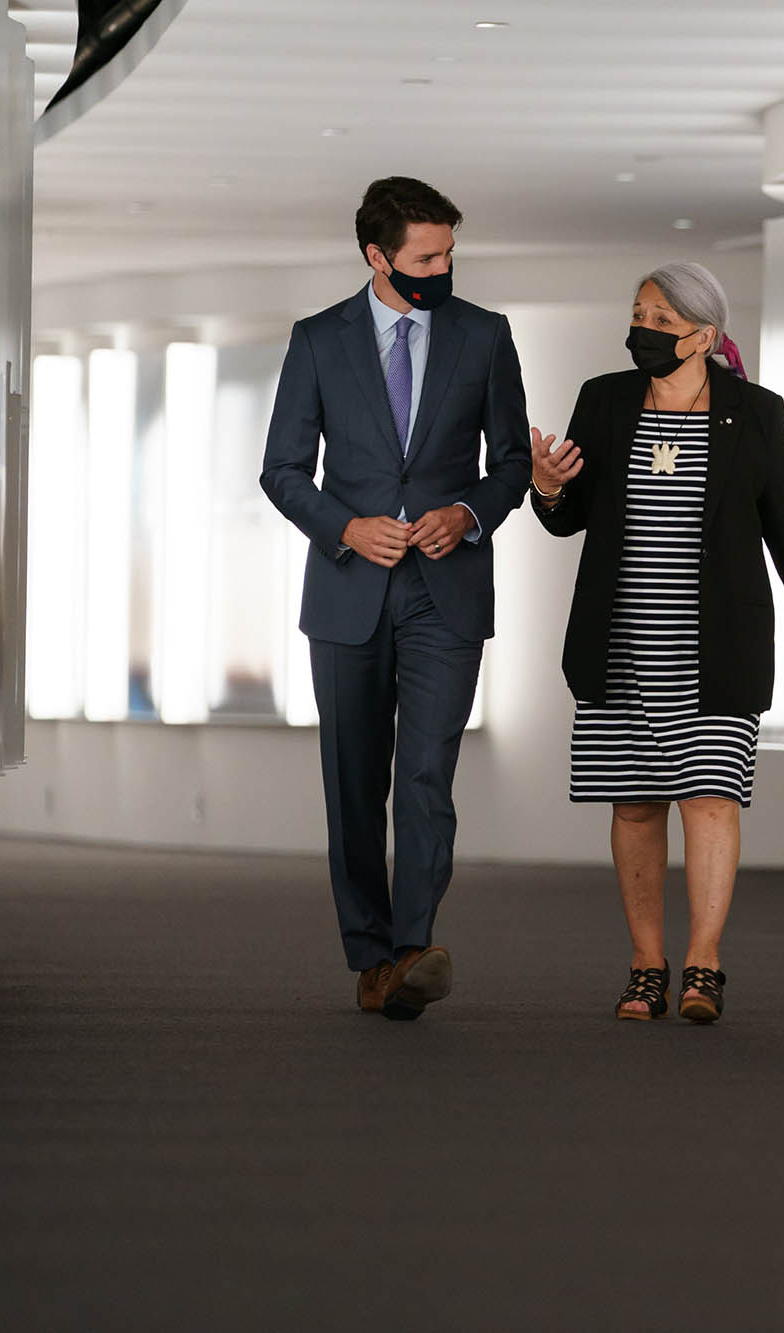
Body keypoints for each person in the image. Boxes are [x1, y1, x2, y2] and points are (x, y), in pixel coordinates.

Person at [529, 262, 784, 1025]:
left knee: (710, 799)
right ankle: (646, 965)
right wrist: (544, 485)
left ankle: (703, 962)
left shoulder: (754, 412)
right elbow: (567, 517)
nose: (644, 331)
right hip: (620, 642)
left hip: (718, 646)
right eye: (638, 314)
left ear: (704, 337)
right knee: (635, 804)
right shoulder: (603, 401)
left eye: (662, 322)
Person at [260, 177, 530, 1021]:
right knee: (353, 783)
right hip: (348, 592)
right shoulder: (317, 340)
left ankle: (413, 947)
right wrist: (345, 529)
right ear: (377, 257)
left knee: (425, 775)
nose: (443, 267)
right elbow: (281, 470)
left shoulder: (485, 336)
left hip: (445, 592)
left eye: (450, 252)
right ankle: (369, 956)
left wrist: (468, 513)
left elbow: (514, 462)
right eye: (426, 256)